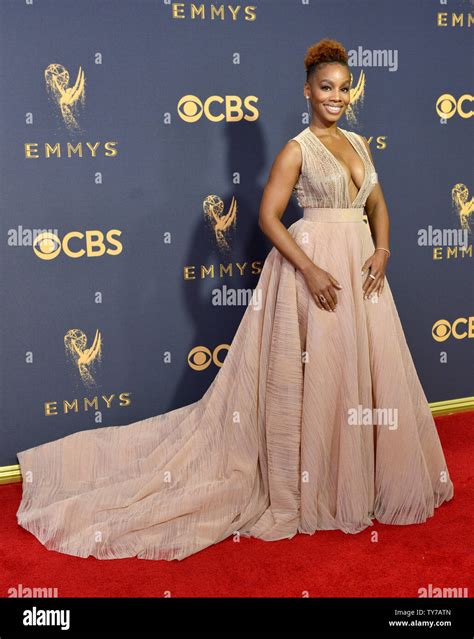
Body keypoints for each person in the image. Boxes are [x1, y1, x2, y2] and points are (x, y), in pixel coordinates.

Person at [16, 39, 454, 561]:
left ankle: (357, 479)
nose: (335, 97)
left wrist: (383, 248)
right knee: (322, 379)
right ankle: (318, 484)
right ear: (308, 91)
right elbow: (269, 217)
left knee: (358, 376)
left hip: (362, 273)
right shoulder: (298, 149)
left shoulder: (360, 144)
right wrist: (310, 268)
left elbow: (379, 204)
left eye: (343, 88)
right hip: (313, 271)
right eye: (325, 88)